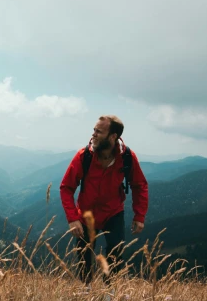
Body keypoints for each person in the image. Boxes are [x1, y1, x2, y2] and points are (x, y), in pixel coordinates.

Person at [60, 115, 149, 285]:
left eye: (99, 132)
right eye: (94, 130)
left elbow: (140, 185)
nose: (93, 134)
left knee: (115, 252)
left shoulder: (127, 157)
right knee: (84, 254)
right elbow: (66, 187)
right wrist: (72, 218)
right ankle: (86, 290)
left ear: (113, 136)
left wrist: (140, 216)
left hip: (113, 212)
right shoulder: (84, 156)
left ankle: (109, 291)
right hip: (86, 214)